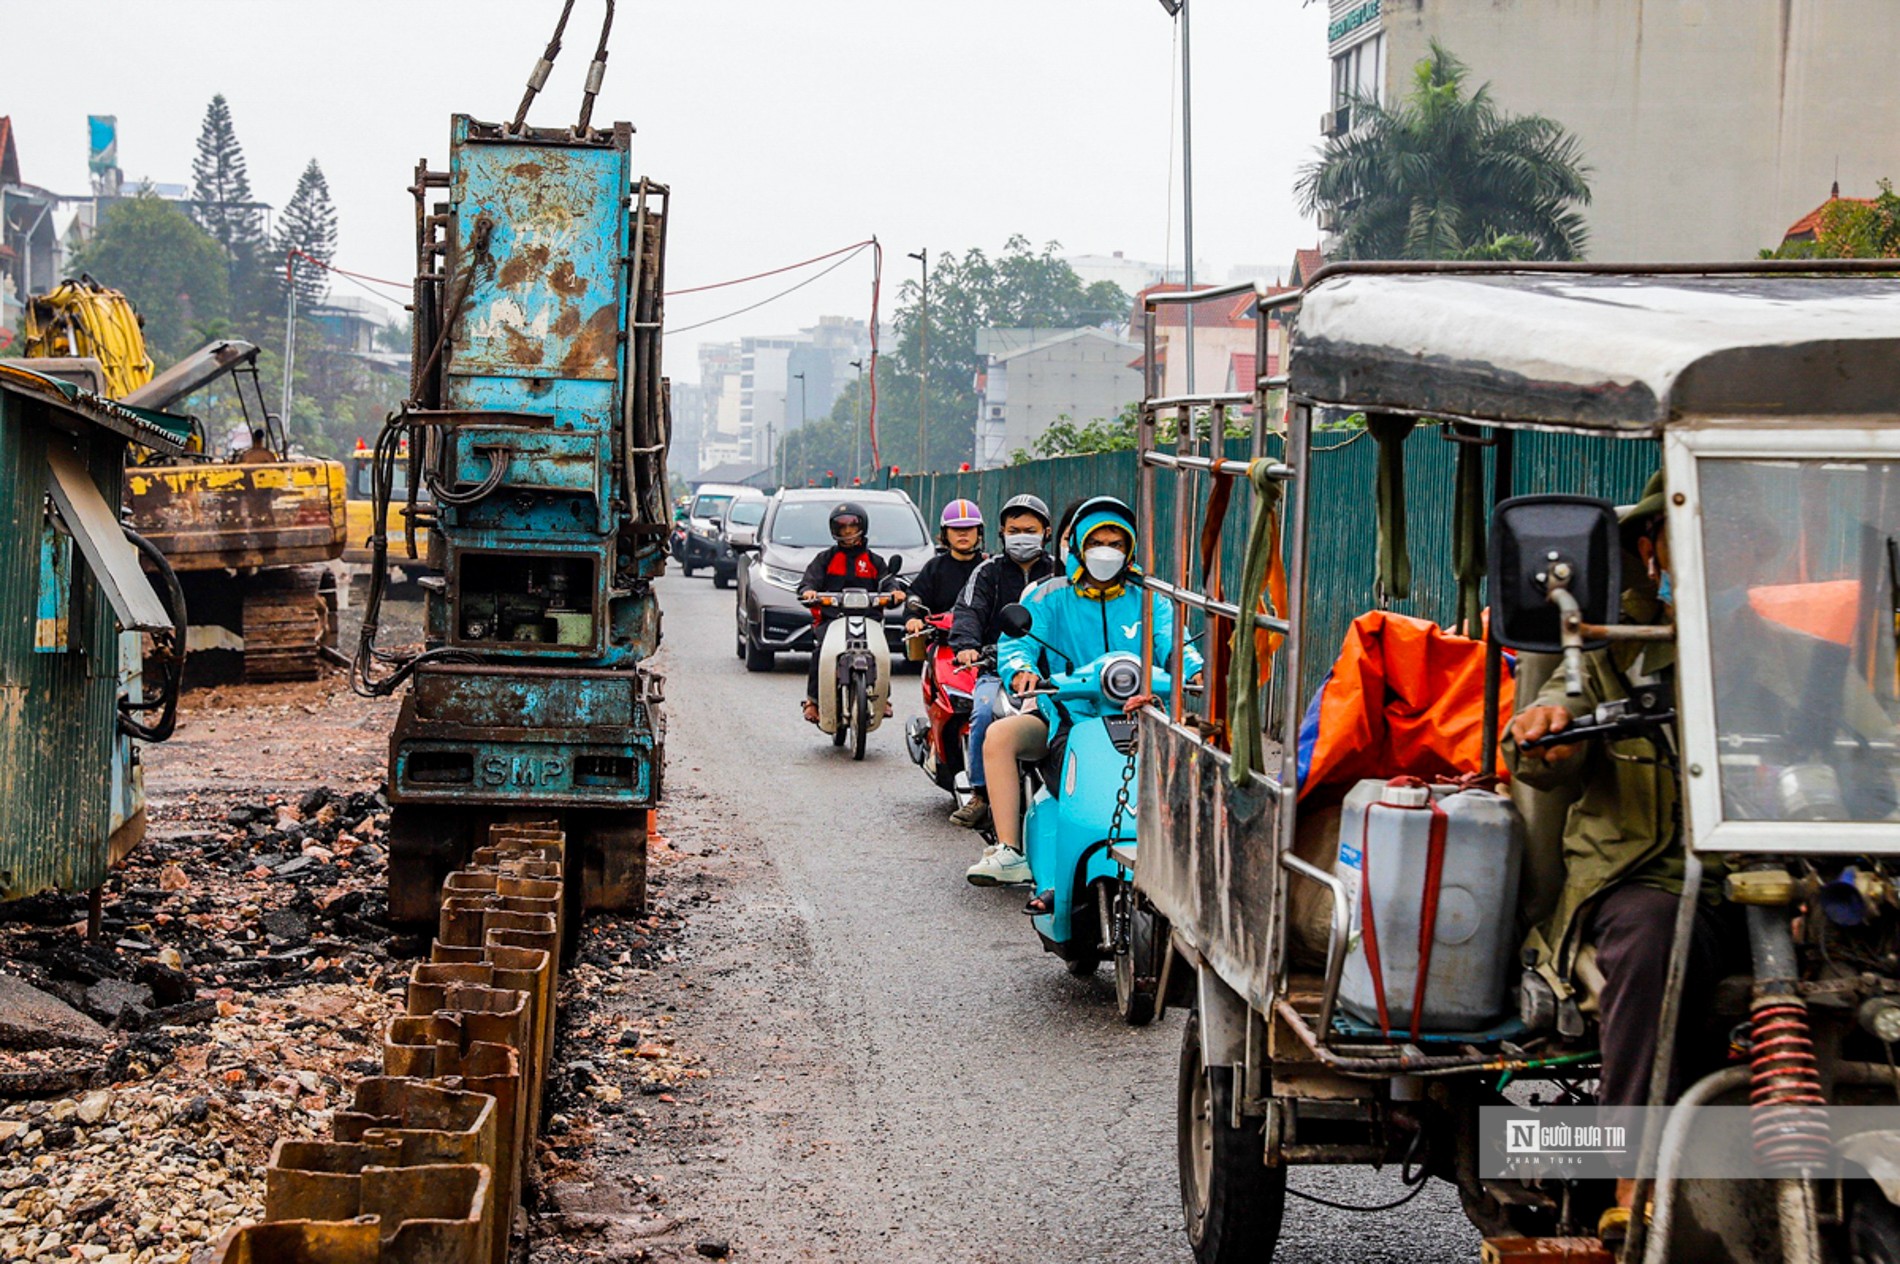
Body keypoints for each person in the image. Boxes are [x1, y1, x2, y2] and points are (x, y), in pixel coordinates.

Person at [1504, 473, 1736, 1243]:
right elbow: (1556, 726)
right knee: (1654, 941)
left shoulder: (1780, 653)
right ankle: (1632, 1180)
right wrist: (1541, 730)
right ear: (1650, 549)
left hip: (1761, 883)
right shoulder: (1608, 649)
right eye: (1688, 532)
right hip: (1642, 879)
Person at [968, 496, 1202, 885]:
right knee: (999, 735)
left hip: (1142, 717)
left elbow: (1174, 642)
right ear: (1076, 544)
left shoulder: (1149, 597)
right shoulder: (1047, 594)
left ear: (1130, 549)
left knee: (1200, 750)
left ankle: (1194, 852)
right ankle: (1009, 850)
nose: (1105, 552)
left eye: (1116, 543)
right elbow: (1018, 644)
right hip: (1065, 717)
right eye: (1096, 542)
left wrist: (1195, 670)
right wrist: (1021, 670)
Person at [945, 494, 1059, 828]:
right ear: (1002, 533)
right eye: (1014, 529)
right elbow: (967, 611)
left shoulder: (1059, 574)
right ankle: (981, 792)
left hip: (1052, 672)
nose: (1021, 535)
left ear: (1046, 532)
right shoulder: (987, 572)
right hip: (995, 668)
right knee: (981, 710)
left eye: (1030, 529)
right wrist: (967, 646)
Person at [797, 501, 904, 725]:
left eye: (852, 527)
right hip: (832, 620)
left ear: (862, 527)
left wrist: (894, 592)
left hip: (869, 620)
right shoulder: (825, 559)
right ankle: (813, 701)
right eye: (842, 528)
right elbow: (808, 583)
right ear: (834, 531)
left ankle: (883, 697)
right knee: (820, 653)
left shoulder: (875, 561)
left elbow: (888, 582)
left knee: (880, 653)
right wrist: (809, 592)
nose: (847, 532)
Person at [903, 499, 987, 637]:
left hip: (983, 643)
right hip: (941, 640)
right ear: (945, 533)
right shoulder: (934, 568)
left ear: (979, 531)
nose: (963, 534)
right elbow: (915, 597)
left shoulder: (989, 567)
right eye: (956, 528)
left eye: (969, 528)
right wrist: (912, 619)